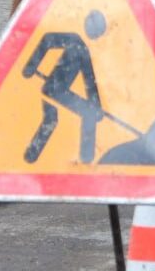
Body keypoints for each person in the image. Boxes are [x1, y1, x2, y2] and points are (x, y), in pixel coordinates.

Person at [22, 10, 107, 165]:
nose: (97, 36)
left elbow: (90, 81)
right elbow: (47, 40)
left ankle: (30, 156)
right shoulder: (75, 40)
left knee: (51, 120)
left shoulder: (84, 49)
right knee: (85, 114)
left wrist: (97, 106)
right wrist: (30, 67)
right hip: (55, 90)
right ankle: (86, 157)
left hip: (57, 91)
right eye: (97, 32)